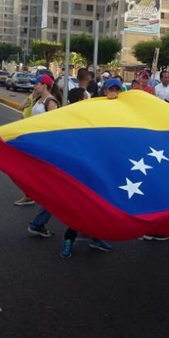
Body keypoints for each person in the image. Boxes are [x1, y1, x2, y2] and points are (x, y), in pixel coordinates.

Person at [59, 87, 113, 258]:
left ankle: (95, 238)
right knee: (80, 208)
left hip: (92, 168)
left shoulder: (87, 115)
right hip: (78, 171)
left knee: (94, 207)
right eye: (86, 96)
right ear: (81, 100)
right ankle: (69, 240)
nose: (89, 98)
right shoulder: (69, 118)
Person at [26, 74, 61, 238]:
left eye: (37, 84)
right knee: (51, 190)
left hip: (46, 150)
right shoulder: (38, 100)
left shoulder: (50, 102)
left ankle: (38, 223)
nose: (34, 86)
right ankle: (38, 223)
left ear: (45, 85)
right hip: (36, 148)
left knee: (54, 191)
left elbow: (53, 127)